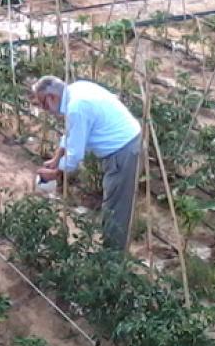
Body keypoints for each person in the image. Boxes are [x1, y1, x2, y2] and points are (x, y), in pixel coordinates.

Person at [32, 76, 142, 251]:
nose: (45, 110)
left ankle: (112, 260)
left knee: (115, 209)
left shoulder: (77, 107)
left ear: (52, 97)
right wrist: (56, 158)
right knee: (114, 203)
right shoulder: (76, 90)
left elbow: (75, 157)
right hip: (125, 145)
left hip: (124, 151)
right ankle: (111, 254)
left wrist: (55, 172)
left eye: (44, 104)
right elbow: (69, 133)